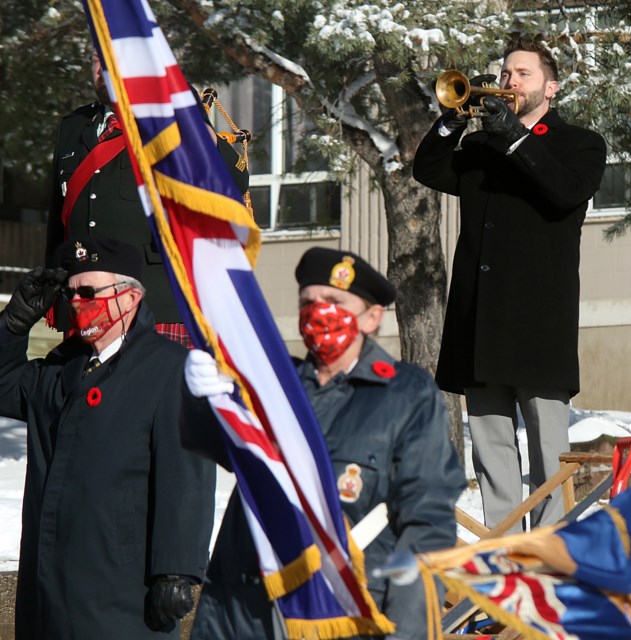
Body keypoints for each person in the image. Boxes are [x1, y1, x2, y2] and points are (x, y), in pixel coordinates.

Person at [183, 247, 466, 639]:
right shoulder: (273, 384)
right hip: (246, 611)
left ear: (371, 317)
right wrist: (203, 398)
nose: (318, 312)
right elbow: (213, 445)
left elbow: (427, 526)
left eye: (334, 302)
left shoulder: (407, 395)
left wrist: (409, 629)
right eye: (308, 302)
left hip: (341, 611)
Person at [413, 33, 607, 531]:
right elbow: (429, 170)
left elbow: (567, 192)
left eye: (522, 74)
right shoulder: (480, 145)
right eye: (505, 74)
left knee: (548, 455)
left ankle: (547, 555)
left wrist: (516, 140)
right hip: (479, 323)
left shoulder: (579, 143)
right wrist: (450, 122)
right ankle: (503, 555)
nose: (509, 82)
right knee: (491, 453)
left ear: (552, 87)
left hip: (538, 323)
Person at [0, 237, 216, 639]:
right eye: (70, 293)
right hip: (47, 589)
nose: (77, 302)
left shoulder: (169, 368)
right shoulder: (59, 368)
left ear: (130, 296)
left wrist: (176, 570)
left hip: (120, 594)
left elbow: (186, 478)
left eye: (88, 292)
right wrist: (13, 325)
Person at [45, 50, 250, 345]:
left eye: (112, 57)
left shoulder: (168, 118)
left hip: (156, 305)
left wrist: (193, 120)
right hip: (84, 304)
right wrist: (54, 286)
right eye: (96, 59)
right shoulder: (74, 125)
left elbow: (231, 181)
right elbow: (59, 217)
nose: (102, 68)